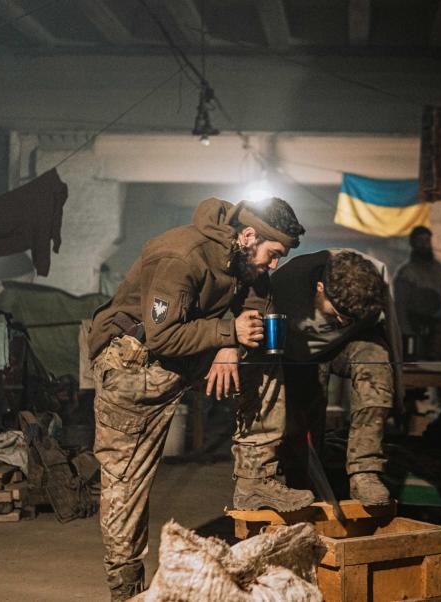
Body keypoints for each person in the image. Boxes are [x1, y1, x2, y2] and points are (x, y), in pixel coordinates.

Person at [85, 196, 314, 600]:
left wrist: (230, 347)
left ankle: (255, 480)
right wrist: (227, 335)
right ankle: (125, 588)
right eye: (273, 254)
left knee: (265, 359)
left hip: (188, 354)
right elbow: (163, 336)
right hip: (134, 367)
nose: (274, 265)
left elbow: (258, 301)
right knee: (125, 485)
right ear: (247, 235)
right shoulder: (180, 255)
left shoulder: (244, 259)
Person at [272, 249, 400, 506]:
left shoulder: (376, 282)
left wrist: (399, 391)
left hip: (347, 348)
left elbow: (392, 336)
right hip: (301, 354)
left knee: (375, 358)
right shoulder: (285, 285)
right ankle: (302, 483)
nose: (342, 321)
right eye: (337, 313)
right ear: (320, 287)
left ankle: (364, 472)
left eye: (350, 318)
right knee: (302, 425)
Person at [393, 226, 441, 360]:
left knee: (436, 365)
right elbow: (400, 307)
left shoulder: (440, 270)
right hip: (415, 328)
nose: (424, 245)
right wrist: (407, 334)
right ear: (413, 244)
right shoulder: (407, 273)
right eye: (420, 241)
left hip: (437, 329)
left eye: (427, 240)